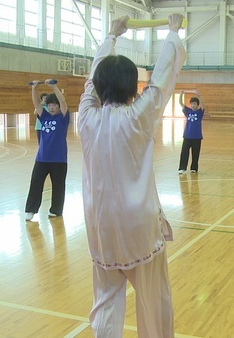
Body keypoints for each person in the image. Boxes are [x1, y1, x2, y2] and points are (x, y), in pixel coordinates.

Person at [78, 14, 186, 338]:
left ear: (98, 86)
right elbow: (162, 80)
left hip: (100, 228)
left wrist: (111, 36)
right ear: (132, 87)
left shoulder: (85, 117)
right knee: (155, 301)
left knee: (106, 302)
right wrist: (171, 33)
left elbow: (89, 82)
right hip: (138, 226)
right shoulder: (140, 116)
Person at [24, 80, 69, 221]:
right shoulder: (44, 117)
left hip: (59, 159)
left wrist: (54, 87)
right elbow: (37, 104)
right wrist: (34, 89)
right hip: (42, 158)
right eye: (49, 105)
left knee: (58, 186)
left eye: (54, 105)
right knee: (35, 183)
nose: (52, 107)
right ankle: (31, 209)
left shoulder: (63, 118)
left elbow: (63, 101)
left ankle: (56, 210)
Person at [178, 90, 205, 174]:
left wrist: (199, 96)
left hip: (197, 137)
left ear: (197, 105)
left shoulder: (200, 112)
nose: (193, 105)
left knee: (195, 153)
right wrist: (181, 95)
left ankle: (194, 168)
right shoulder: (188, 111)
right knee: (184, 152)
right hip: (187, 136)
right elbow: (181, 103)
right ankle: (182, 168)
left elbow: (204, 105)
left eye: (194, 104)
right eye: (192, 103)